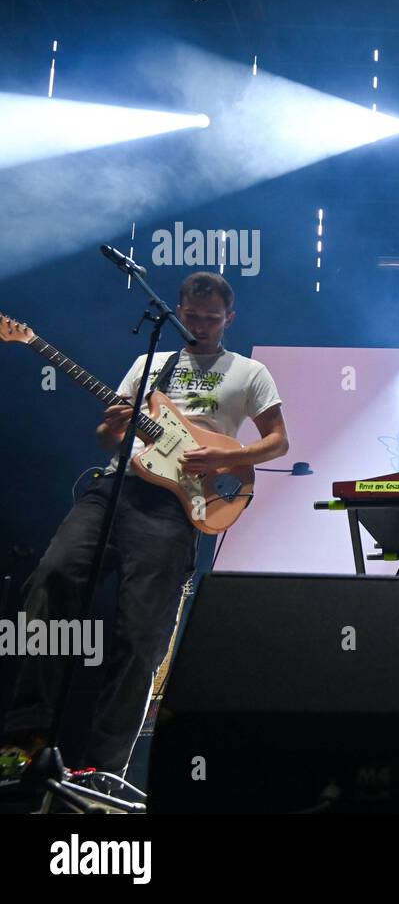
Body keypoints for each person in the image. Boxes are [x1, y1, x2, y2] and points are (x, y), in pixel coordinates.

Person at [0, 271, 289, 779]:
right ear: (177, 311)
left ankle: (104, 768)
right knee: (50, 577)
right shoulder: (150, 363)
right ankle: (25, 737)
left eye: (211, 318)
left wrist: (223, 460)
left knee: (140, 634)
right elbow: (108, 439)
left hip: (177, 507)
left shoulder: (250, 372)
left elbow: (278, 442)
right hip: (115, 488)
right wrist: (111, 429)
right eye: (192, 315)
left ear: (230, 319)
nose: (200, 325)